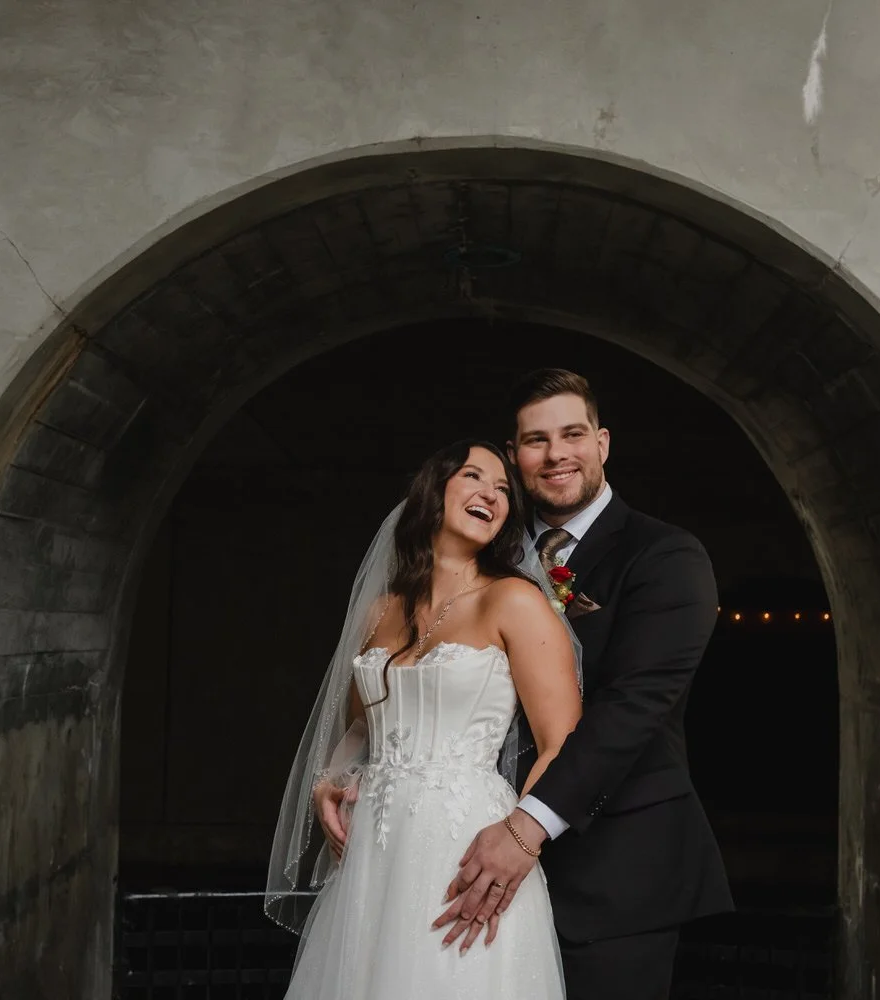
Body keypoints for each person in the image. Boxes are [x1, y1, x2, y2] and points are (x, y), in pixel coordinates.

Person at [429, 369, 733, 1000]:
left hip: (615, 872)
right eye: (536, 441)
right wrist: (352, 771)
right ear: (515, 457)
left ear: (602, 443)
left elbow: (633, 707)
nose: (556, 453)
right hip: (472, 860)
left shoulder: (666, 556)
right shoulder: (490, 556)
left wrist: (525, 829)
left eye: (572, 434)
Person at [267, 439, 583, 1000]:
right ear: (432, 493)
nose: (492, 493)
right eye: (474, 477)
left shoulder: (513, 601)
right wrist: (330, 782)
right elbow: (361, 730)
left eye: (504, 489)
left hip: (467, 844)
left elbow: (563, 741)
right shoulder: (381, 610)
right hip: (374, 852)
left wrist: (518, 841)